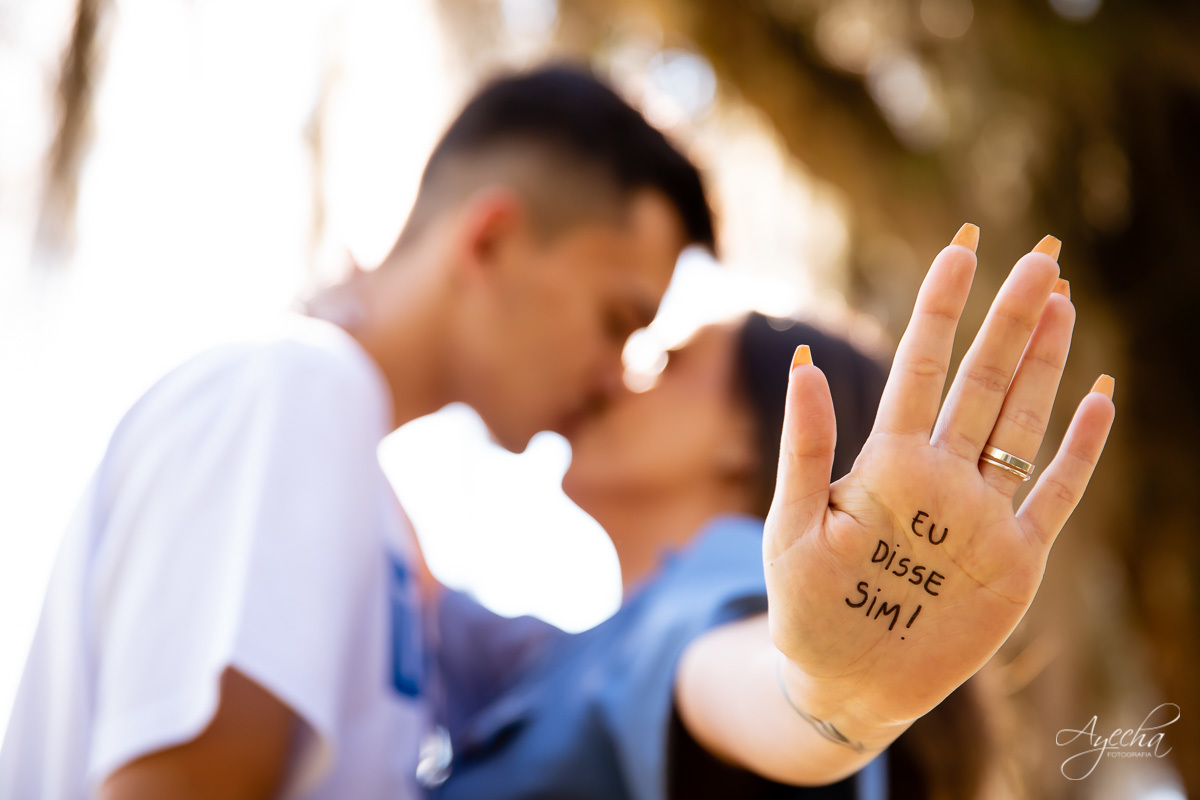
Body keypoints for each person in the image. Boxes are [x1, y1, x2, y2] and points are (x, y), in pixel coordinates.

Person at [0, 64, 715, 800]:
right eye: (617, 322)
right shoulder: (300, 387)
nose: (615, 376)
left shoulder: (361, 490)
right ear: (490, 241)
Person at [430, 226, 1115, 798]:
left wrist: (828, 704)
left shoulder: (711, 586)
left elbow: (742, 675)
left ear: (748, 438)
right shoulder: (568, 653)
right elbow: (404, 594)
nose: (616, 374)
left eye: (667, 361)